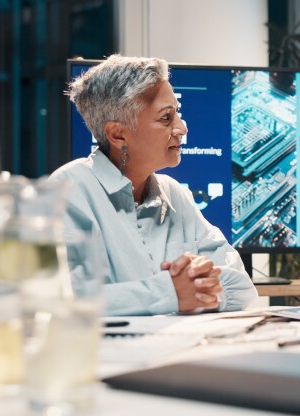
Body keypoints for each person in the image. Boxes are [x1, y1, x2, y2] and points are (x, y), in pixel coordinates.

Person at [50, 55, 257, 316]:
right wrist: (170, 293)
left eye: (177, 114)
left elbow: (241, 287)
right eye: (166, 118)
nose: (181, 128)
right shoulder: (68, 191)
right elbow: (63, 301)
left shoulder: (175, 194)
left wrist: (192, 292)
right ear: (117, 134)